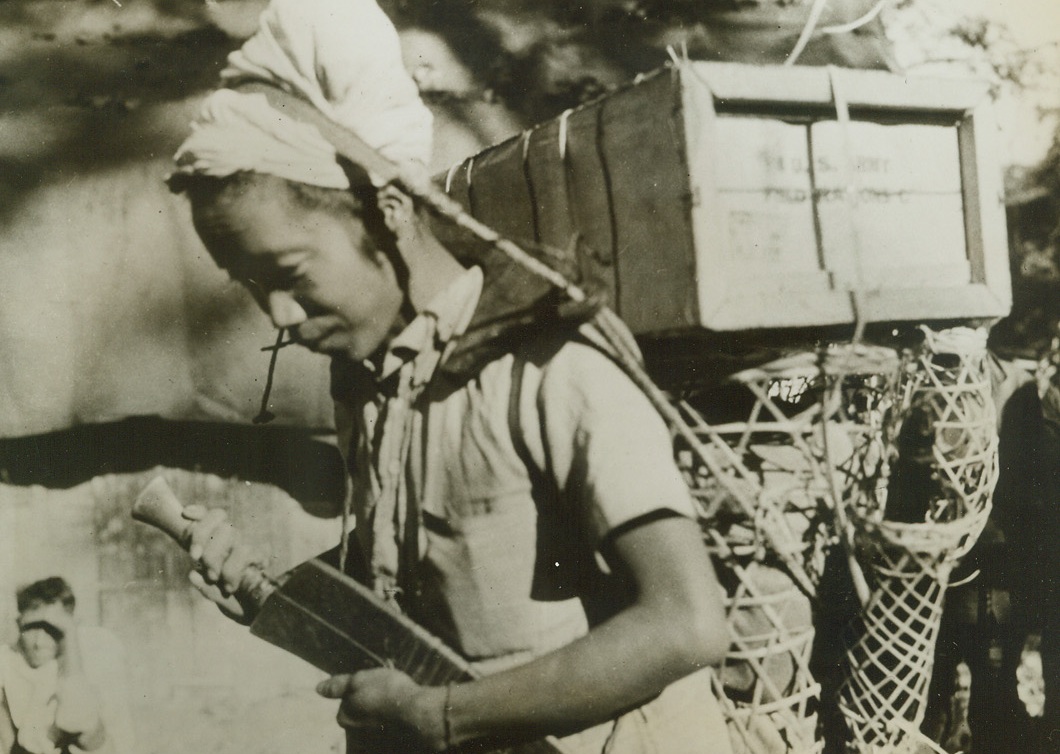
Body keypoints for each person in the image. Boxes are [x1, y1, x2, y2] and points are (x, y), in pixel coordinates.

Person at [167, 0, 733, 751]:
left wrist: (445, 717)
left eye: (290, 272)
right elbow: (423, 575)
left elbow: (687, 623)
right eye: (248, 285)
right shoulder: (372, 387)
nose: (277, 314)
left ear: (391, 210)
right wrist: (271, 592)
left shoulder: (551, 370)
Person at [0, 578, 134, 754]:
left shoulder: (93, 650)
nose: (39, 642)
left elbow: (110, 736)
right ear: (19, 624)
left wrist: (69, 636)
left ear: (71, 626)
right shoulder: (9, 658)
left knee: (79, 715)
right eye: (32, 628)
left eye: (51, 629)